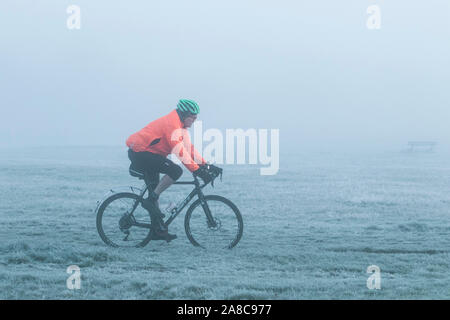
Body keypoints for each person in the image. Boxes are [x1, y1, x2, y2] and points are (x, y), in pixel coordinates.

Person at [126, 99, 217, 241]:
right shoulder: (172, 125)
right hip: (141, 153)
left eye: (196, 117)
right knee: (175, 171)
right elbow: (180, 152)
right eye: (193, 117)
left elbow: (189, 149)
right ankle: (152, 200)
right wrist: (197, 171)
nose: (195, 120)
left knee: (155, 189)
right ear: (184, 114)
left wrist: (206, 166)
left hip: (150, 154)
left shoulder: (181, 127)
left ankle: (158, 230)